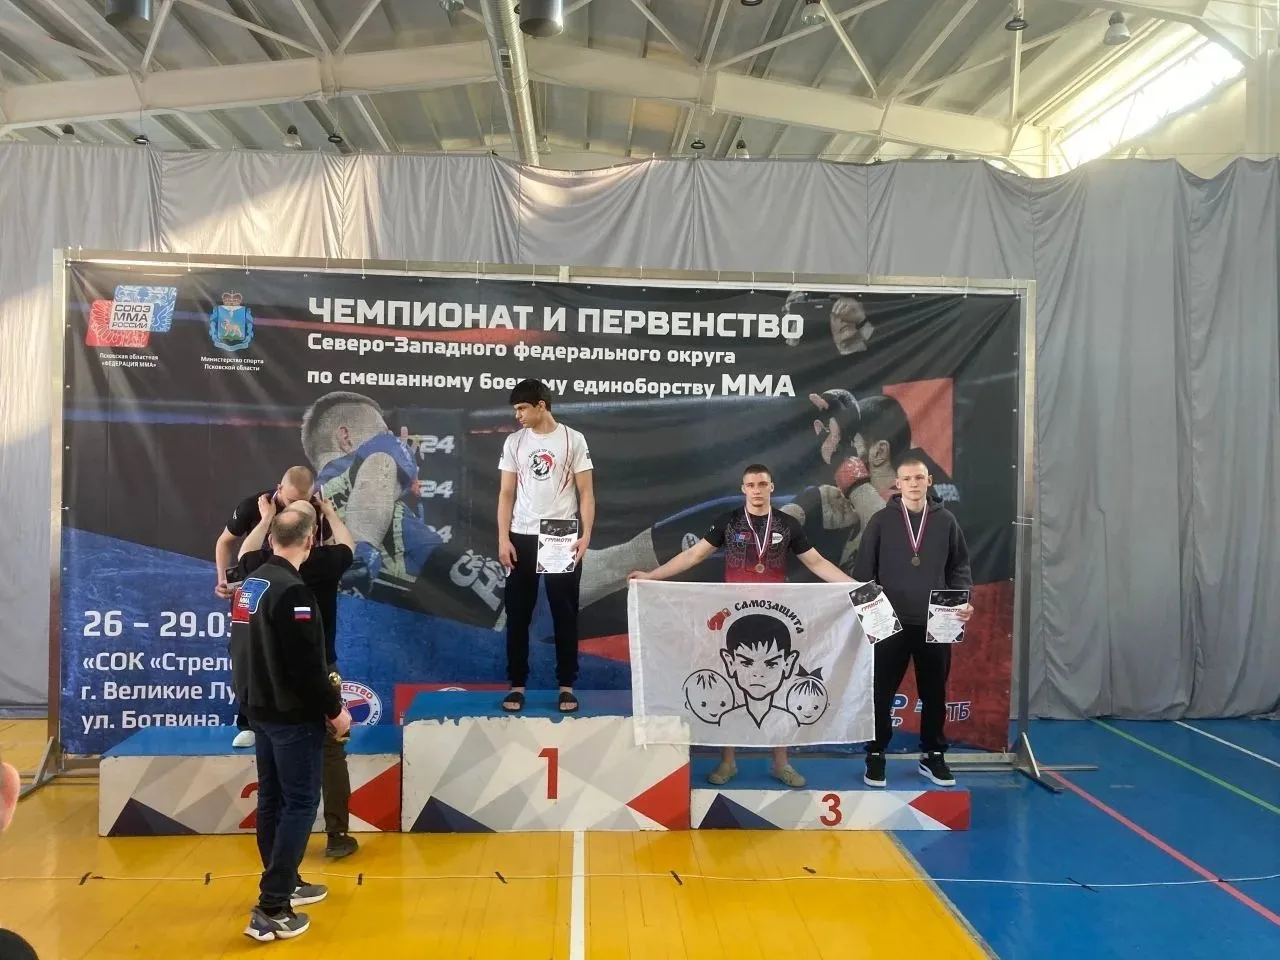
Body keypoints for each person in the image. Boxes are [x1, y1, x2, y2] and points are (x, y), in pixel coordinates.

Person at [629, 464, 856, 788]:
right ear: (743, 489)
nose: (757, 490)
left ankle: (781, 763)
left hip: (776, 617)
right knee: (731, 685)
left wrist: (855, 586)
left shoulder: (787, 524)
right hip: (735, 617)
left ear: (771, 487)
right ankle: (728, 762)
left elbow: (816, 563)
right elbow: (693, 556)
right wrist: (652, 576)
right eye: (751, 485)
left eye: (762, 484)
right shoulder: (729, 521)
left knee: (781, 684)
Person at [230, 507, 352, 942]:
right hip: (291, 715)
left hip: (260, 710)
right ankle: (272, 907)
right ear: (311, 540)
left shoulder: (251, 584)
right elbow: (306, 666)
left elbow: (238, 649)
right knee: (299, 803)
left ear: (271, 539)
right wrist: (335, 710)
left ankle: (285, 882)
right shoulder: (295, 592)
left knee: (273, 800)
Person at [853, 454, 973, 788]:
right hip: (889, 622)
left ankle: (932, 755)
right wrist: (871, 616)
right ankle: (876, 753)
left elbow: (960, 567)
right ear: (898, 484)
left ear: (929, 481)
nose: (914, 484)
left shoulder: (946, 520)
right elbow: (863, 572)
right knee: (881, 692)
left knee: (934, 692)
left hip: (937, 620)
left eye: (919, 478)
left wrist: (964, 600)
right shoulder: (880, 521)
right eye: (907, 479)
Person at [498, 379, 595, 714]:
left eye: (522, 408)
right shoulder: (514, 441)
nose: (518, 416)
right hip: (521, 534)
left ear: (541, 405)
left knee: (564, 614)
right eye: (516, 410)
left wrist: (586, 534)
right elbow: (506, 493)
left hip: (560, 533)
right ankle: (516, 686)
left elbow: (586, 492)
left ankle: (566, 687)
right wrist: (503, 538)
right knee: (517, 615)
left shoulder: (573, 439)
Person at [215, 465, 320, 749]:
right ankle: (248, 722)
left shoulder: (314, 509)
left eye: (303, 501)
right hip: (254, 593)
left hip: (290, 593)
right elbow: (225, 542)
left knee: (295, 653)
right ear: (279, 488)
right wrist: (223, 579)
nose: (296, 507)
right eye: (291, 501)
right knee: (248, 654)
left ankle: (296, 717)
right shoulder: (252, 506)